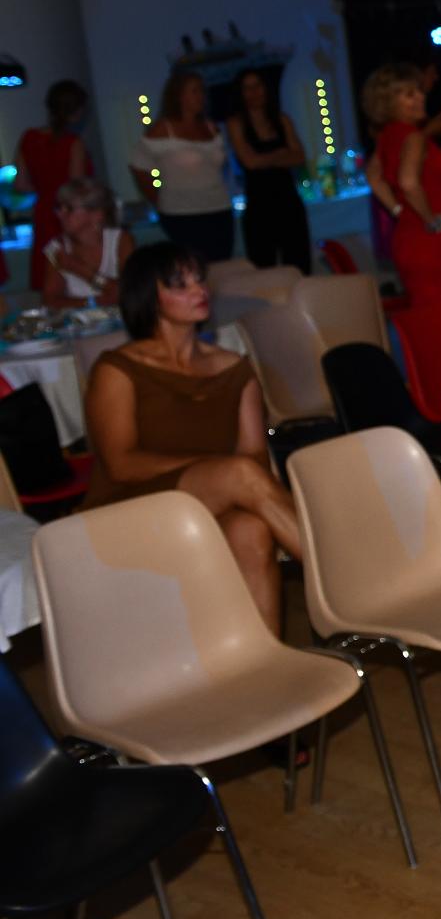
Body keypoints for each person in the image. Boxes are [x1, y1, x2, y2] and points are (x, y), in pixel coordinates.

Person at [82, 242, 304, 634]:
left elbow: (254, 456)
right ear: (148, 296)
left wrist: (222, 478)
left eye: (199, 279)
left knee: (250, 530)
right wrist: (217, 473)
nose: (199, 289)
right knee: (237, 474)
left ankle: (266, 657)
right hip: (127, 510)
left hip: (210, 502)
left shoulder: (233, 369)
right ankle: (343, 576)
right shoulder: (118, 369)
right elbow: (121, 464)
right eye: (179, 284)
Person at [361, 62, 441, 306]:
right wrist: (432, 220)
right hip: (431, 241)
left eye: (418, 91)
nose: (421, 97)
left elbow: (373, 177)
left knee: (432, 315)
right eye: (410, 94)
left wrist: (400, 211)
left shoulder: (389, 136)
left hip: (411, 237)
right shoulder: (413, 137)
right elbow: (408, 182)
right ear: (389, 103)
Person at [131, 71, 235, 262]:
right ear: (179, 95)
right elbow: (138, 165)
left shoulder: (210, 127)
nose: (200, 96)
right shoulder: (163, 129)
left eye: (202, 91)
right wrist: (156, 198)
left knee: (222, 264)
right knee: (195, 264)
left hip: (219, 208)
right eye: (194, 91)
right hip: (182, 213)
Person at [12, 78, 94, 290]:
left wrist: (45, 189)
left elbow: (20, 184)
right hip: (69, 214)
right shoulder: (73, 143)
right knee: (74, 275)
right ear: (77, 111)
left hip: (44, 212)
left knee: (48, 275)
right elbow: (75, 190)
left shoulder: (29, 138)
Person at [226, 69, 311, 271]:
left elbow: (299, 157)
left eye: (258, 86)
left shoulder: (282, 120)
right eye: (247, 88)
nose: (254, 92)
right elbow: (250, 162)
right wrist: (281, 154)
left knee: (298, 264)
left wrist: (266, 159)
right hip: (259, 206)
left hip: (289, 201)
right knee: (264, 267)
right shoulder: (236, 124)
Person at [40, 179, 133, 310]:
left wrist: (78, 269)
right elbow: (50, 302)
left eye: (69, 209)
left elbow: (129, 292)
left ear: (96, 214)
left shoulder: (121, 240)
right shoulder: (57, 249)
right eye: (59, 207)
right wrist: (95, 302)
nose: (60, 214)